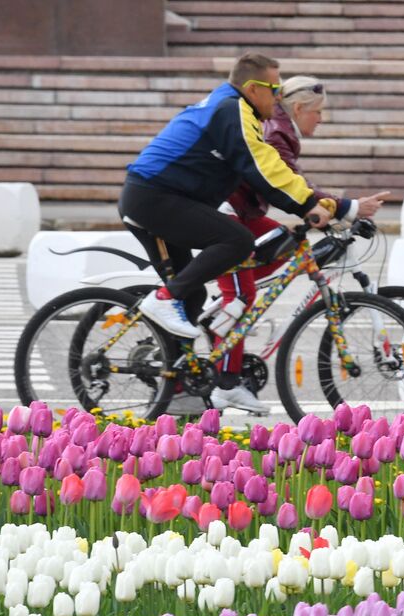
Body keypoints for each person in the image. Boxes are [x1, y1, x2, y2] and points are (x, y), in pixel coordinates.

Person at [117, 51, 342, 409]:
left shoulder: (238, 109)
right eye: (274, 89)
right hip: (154, 197)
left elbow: (263, 166)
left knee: (191, 298)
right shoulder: (232, 109)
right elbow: (262, 167)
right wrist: (309, 204)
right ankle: (163, 300)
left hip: (163, 197)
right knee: (236, 239)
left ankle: (178, 393)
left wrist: (315, 202)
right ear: (254, 89)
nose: (279, 97)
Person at [210, 75, 387, 415]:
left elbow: (296, 185)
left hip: (242, 210)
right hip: (227, 213)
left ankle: (222, 316)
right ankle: (227, 385)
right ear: (300, 108)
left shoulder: (280, 129)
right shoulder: (277, 132)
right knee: (242, 295)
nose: (321, 119)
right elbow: (290, 185)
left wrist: (332, 209)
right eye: (318, 112)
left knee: (287, 248)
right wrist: (343, 206)